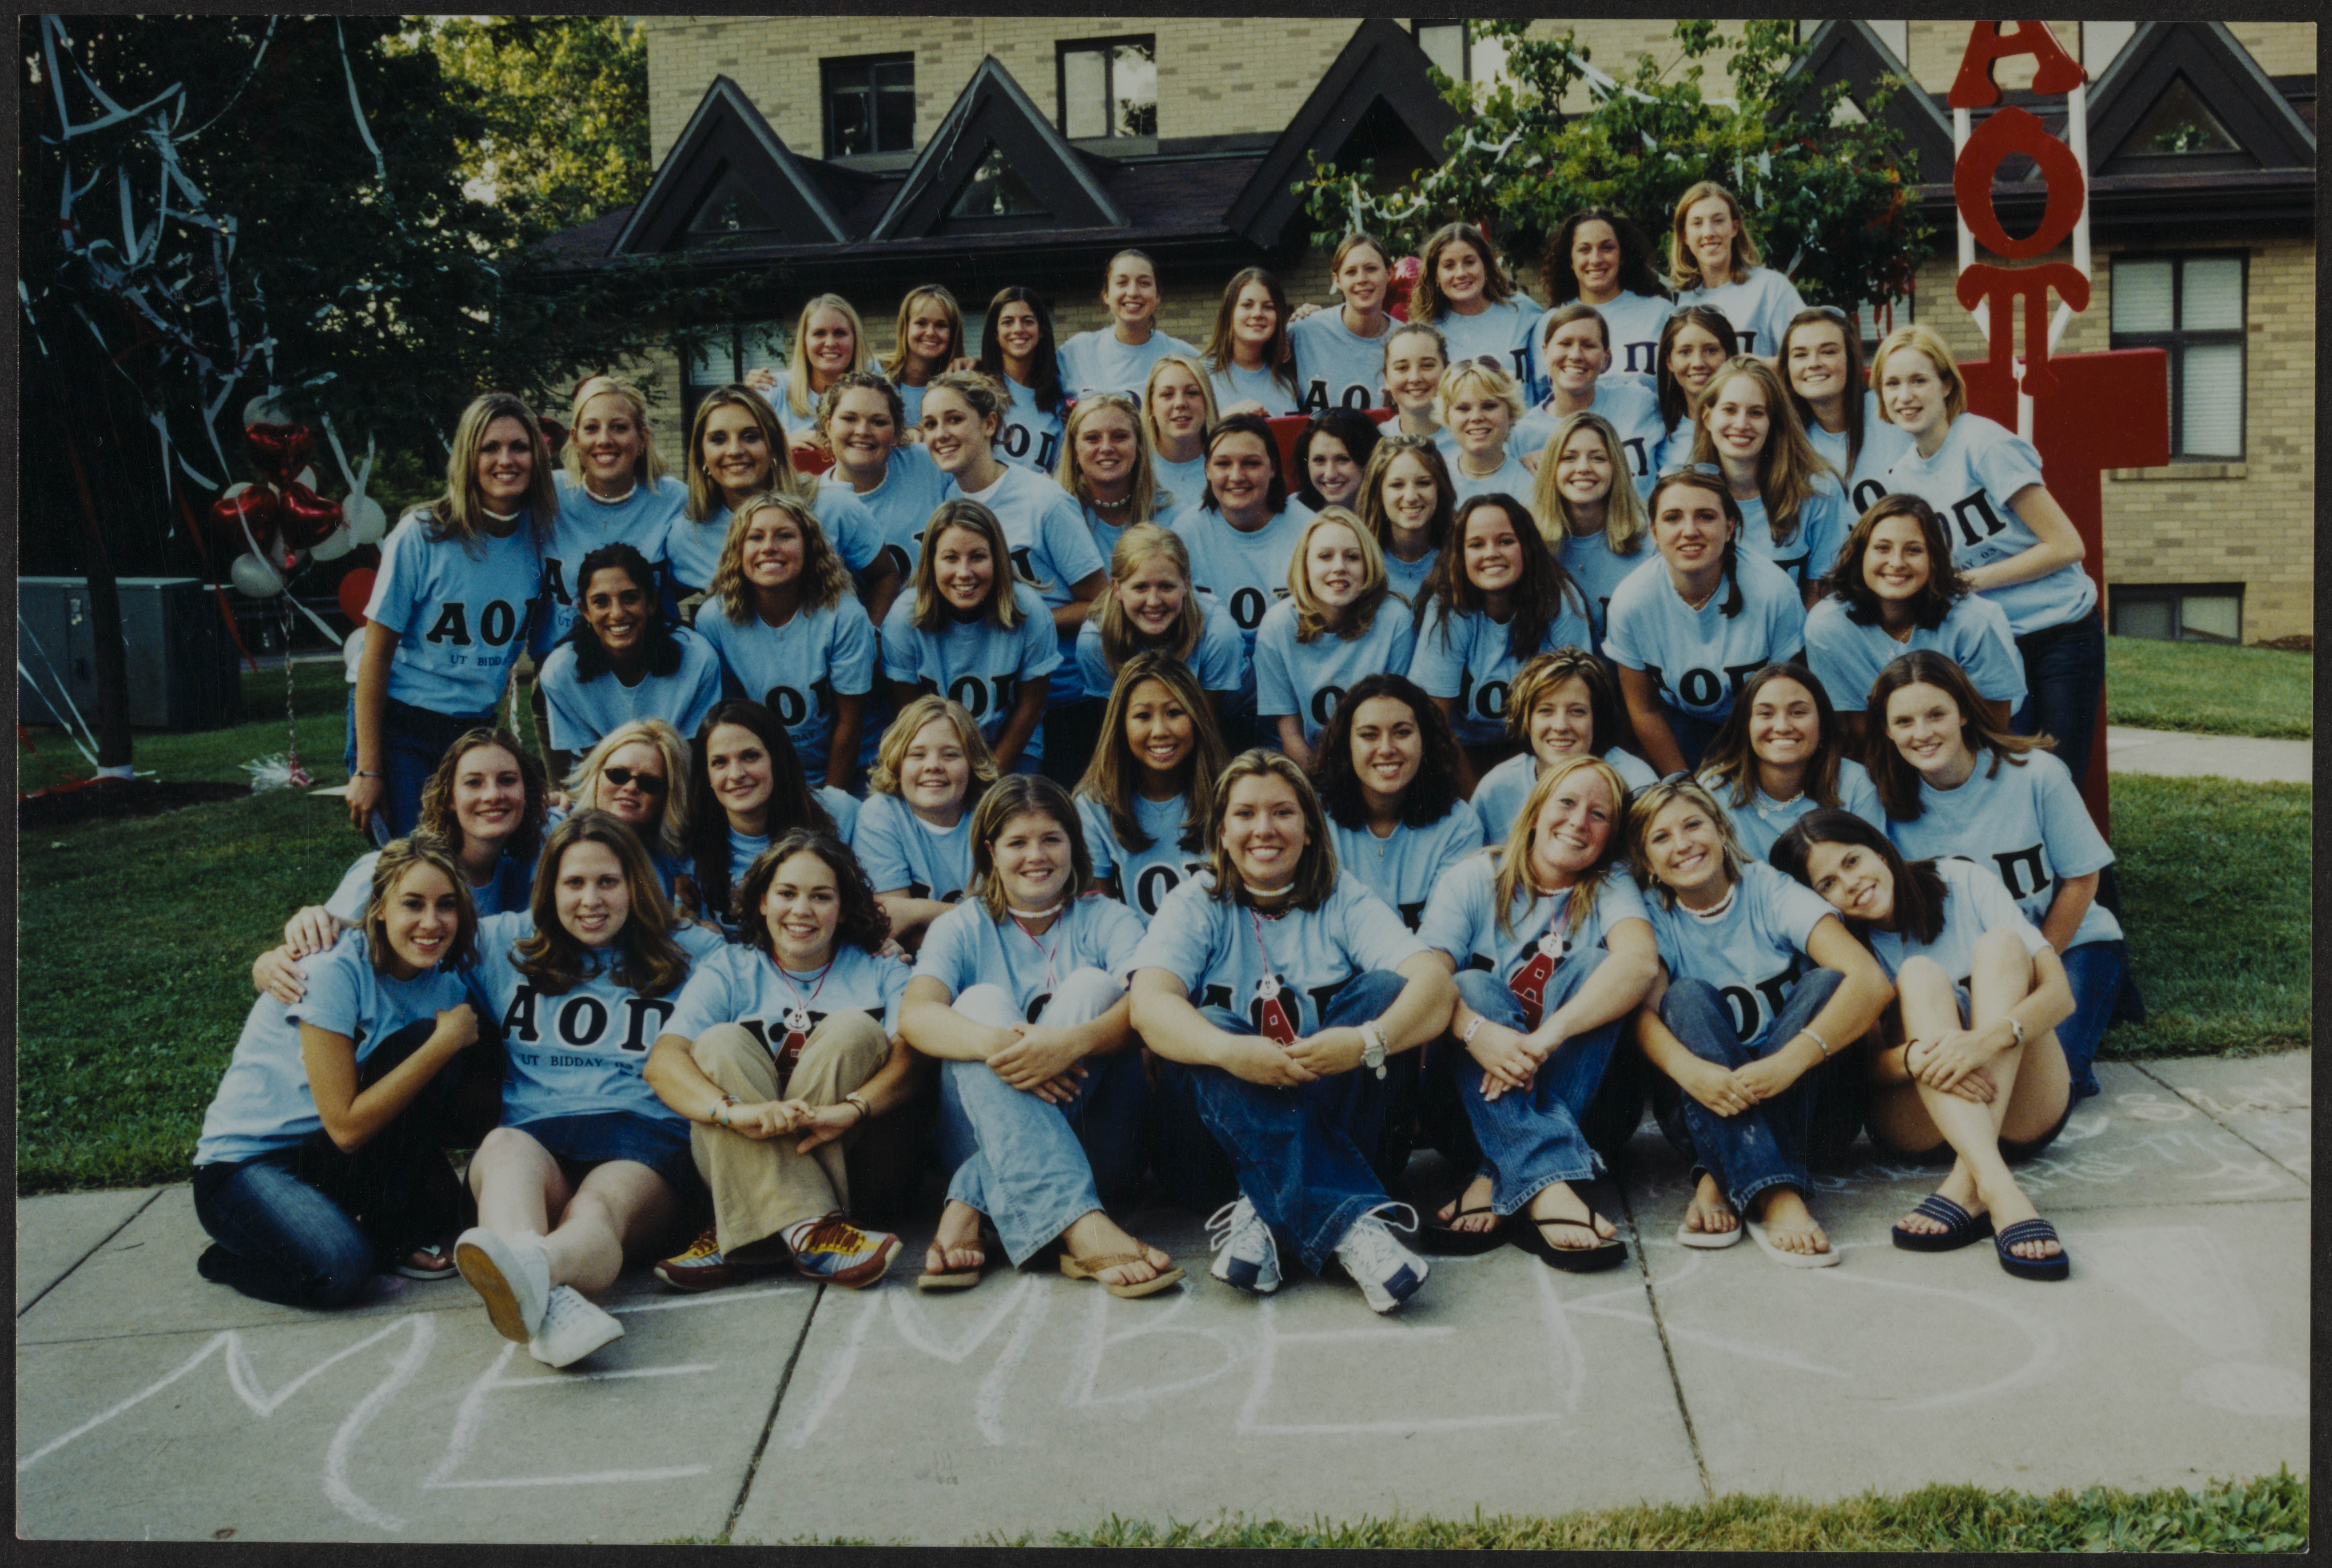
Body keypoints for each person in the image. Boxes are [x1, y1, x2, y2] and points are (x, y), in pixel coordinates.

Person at [1130, 751, 1459, 1313]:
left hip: (1340, 1126)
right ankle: (1351, 1222)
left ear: (1309, 829)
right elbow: (1147, 1005)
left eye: (1282, 812)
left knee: (1382, 992)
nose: (1264, 829)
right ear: (1222, 830)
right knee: (1205, 1024)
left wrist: (1363, 1042)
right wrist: (1230, 1052)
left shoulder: (1341, 894)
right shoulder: (1197, 901)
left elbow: (1434, 986)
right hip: (1213, 1158)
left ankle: (1263, 1211)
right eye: (1245, 814)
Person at [451, 810, 724, 1365]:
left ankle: (528, 1270)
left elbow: (780, 974)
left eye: (608, 882)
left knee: (597, 1205)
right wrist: (299, 943)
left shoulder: (693, 953)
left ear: (635, 886)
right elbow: (399, 935)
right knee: (501, 1147)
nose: (590, 900)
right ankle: (545, 1299)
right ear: (548, 890)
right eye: (573, 883)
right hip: (537, 1138)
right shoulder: (505, 941)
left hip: (643, 1141)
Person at [900, 775, 1181, 1295]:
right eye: (1017, 842)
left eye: (1052, 839)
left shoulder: (1110, 920)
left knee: (1093, 987)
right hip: (980, 1137)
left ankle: (970, 1199)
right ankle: (1082, 1225)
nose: (1037, 855)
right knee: (978, 1006)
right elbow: (916, 1017)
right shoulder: (962, 926)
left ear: (1074, 844)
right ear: (991, 852)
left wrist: (1071, 1045)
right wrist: (995, 1045)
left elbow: (1150, 1006)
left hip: (1100, 1146)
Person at [1771, 810, 2075, 1280]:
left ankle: (1970, 1183)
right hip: (1921, 1121)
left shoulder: (1964, 880)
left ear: (1879, 848)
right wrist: (1914, 1058)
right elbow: (1866, 1069)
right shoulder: (1841, 945)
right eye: (1827, 884)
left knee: (2002, 945)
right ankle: (2001, 1192)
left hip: (2024, 1108)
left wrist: (1981, 1043)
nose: (1850, 884)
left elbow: (2060, 996)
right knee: (1919, 975)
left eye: (1852, 861)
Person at [199, 837, 490, 1306]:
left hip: (325, 1160)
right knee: (341, 1270)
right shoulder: (332, 969)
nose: (432, 923)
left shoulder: (446, 984)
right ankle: (232, 1257)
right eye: (412, 905)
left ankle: (372, 1223)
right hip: (246, 1164)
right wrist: (443, 1043)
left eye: (447, 906)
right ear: (377, 909)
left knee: (449, 1218)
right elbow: (347, 1127)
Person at [1625, 776, 1892, 1267]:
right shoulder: (1654, 916)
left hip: (1812, 1112)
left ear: (1722, 829)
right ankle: (1775, 1194)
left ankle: (1719, 1176)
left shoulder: (1769, 890)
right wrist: (1691, 1072)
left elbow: (1871, 981)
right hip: (1705, 1103)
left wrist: (1789, 1063)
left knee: (1828, 983)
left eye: (1693, 825)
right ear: (1647, 863)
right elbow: (1642, 1017)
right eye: (1661, 838)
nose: (1683, 844)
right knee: (1683, 997)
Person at [646, 828, 916, 1292]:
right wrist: (734, 1112)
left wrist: (851, 1110)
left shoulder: (881, 968)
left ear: (845, 905)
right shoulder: (730, 968)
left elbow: (913, 1062)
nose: (802, 910)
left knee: (854, 1030)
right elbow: (663, 1062)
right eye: (786, 893)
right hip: (743, 1137)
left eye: (822, 896)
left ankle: (744, 1231)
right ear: (762, 902)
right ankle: (811, 1232)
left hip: (856, 1157)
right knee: (717, 1044)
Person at [1414, 756, 1660, 1264]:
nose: (1578, 822)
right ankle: (1549, 1188)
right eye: (1566, 803)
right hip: (1463, 1110)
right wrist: (1477, 1031)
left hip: (1589, 1113)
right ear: (1536, 808)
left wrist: (1543, 1040)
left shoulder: (1611, 884)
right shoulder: (1472, 877)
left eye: (1599, 814)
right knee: (1470, 984)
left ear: (1612, 833)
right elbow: (1424, 979)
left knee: (1599, 965)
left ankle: (1497, 1175)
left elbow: (1639, 965)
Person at [1866, 650, 2127, 1118]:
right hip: (1963, 966)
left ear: (1964, 712)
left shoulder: (2035, 774)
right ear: (1887, 730)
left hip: (2068, 944)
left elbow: (2083, 879)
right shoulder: (1882, 801)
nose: (1922, 733)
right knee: (1971, 1073)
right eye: (1904, 721)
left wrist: (2034, 971)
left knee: (2051, 1085)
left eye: (1936, 714)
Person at [1871, 323, 2105, 786]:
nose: (1906, 395)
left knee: (2058, 777)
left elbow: (2066, 545)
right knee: (2008, 774)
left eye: (1919, 380)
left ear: (1945, 384)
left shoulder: (1985, 445)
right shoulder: (1901, 478)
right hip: (1991, 643)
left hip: (2059, 631)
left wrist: (1968, 583)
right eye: (1892, 384)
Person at [348, 392, 551, 838]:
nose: (506, 460)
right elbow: (375, 656)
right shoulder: (422, 535)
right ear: (467, 457)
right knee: (416, 862)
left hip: (474, 729)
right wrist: (368, 770)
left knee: (477, 858)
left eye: (519, 447)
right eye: (489, 448)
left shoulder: (542, 540)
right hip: (402, 724)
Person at [918, 370, 1109, 779]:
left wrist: (1014, 623)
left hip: (1061, 697)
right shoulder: (944, 502)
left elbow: (1101, 599)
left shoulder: (1044, 501)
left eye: (954, 420)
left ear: (989, 424)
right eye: (930, 424)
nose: (941, 434)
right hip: (989, 701)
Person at [1603, 466, 1806, 774]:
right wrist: (1683, 783)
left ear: (1730, 528)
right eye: (1673, 518)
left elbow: (1791, 701)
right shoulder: (1632, 601)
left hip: (1760, 726)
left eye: (1706, 516)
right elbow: (1644, 708)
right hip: (1681, 725)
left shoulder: (1774, 592)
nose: (1690, 531)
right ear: (1655, 532)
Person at [286, 728, 548, 949]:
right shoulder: (388, 872)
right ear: (449, 799)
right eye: (473, 783)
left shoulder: (520, 876)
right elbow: (312, 947)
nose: (493, 795)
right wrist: (268, 962)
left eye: (508, 780)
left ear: (526, 793)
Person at [1805, 493, 2026, 749]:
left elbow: (1995, 718)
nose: (1897, 563)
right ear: (1860, 554)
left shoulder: (1975, 621)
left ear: (1934, 560)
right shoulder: (1828, 626)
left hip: (1973, 741)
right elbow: (1859, 726)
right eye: (1883, 548)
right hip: (1889, 746)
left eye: (1914, 550)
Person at [690, 490, 876, 790]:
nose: (769, 548)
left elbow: (849, 723)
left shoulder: (843, 615)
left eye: (785, 536)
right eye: (755, 537)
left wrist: (832, 800)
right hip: (768, 775)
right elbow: (733, 717)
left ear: (810, 548)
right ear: (738, 550)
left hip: (848, 770)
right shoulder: (715, 619)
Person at [665, 385, 897, 624]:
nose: (735, 450)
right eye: (718, 439)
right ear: (702, 455)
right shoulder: (687, 534)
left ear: (775, 444)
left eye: (751, 437)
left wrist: (872, 638)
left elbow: (886, 575)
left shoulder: (833, 505)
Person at [1409, 494, 1594, 792]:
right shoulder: (1448, 608)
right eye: (1477, 545)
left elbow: (1579, 706)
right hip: (1463, 754)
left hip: (1539, 748)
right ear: (1460, 554)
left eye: (1506, 541)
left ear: (1527, 547)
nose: (1492, 553)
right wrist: (1480, 802)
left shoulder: (1558, 600)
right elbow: (1435, 722)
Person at [879, 498, 1059, 774]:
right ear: (932, 562)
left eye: (978, 557)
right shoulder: (904, 619)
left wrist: (990, 777)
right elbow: (908, 717)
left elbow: (1031, 707)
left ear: (997, 559)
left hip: (1009, 745)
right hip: (935, 751)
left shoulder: (1029, 611)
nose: (964, 573)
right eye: (951, 558)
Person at [538, 543, 724, 783]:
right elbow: (590, 766)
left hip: (678, 785)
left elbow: (693, 759)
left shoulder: (698, 659)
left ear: (652, 603)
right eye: (601, 602)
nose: (617, 613)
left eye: (630, 598)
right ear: (585, 611)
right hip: (604, 787)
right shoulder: (561, 671)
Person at [1310, 672, 1483, 930]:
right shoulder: (1314, 818)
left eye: (1402, 733)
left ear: (1425, 740)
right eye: (1369, 735)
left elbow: (1446, 935)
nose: (1387, 748)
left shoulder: (1459, 825)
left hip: (1427, 967)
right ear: (1347, 744)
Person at [538, 375, 687, 657]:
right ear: (575, 438)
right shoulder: (547, 495)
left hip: (654, 666)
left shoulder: (675, 500)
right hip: (562, 670)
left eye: (619, 428)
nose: (604, 440)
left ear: (642, 438)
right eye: (591, 428)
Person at [1255, 509, 1416, 768]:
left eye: (1353, 557)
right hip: (1309, 767)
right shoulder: (1277, 626)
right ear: (1306, 567)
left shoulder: (1395, 620)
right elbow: (1292, 737)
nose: (1339, 568)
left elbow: (1396, 722)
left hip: (1378, 762)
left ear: (1367, 567)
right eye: (1325, 557)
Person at [1074, 653, 1227, 921]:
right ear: (1121, 726)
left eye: (1174, 713)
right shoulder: (1094, 806)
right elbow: (1103, 919)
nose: (1160, 731)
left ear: (1196, 718)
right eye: (1143, 716)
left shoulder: (1228, 794)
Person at [1688, 355, 1852, 600]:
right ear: (1708, 418)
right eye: (1730, 410)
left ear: (1773, 422)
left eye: (1756, 413)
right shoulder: (1686, 494)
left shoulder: (1818, 491)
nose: (1742, 424)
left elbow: (1821, 594)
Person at [679, 700, 850, 934]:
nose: (736, 774)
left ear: (777, 760)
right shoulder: (688, 844)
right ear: (706, 775)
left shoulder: (841, 812)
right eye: (720, 762)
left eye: (750, 757)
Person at [1695, 661, 1884, 862]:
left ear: (1822, 724)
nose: (1783, 727)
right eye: (1766, 714)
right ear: (1746, 725)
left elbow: (1873, 871)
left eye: (1799, 713)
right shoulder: (1717, 788)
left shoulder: (1855, 783)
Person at [1471, 649, 1659, 848]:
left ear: (1598, 719)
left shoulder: (1637, 784)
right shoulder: (1496, 789)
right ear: (1527, 720)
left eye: (1577, 711)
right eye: (1546, 711)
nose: (1561, 726)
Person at [852, 695, 996, 947]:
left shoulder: (993, 814)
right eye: (917, 755)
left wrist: (917, 910)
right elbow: (893, 925)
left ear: (972, 763)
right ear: (898, 763)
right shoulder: (881, 814)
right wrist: (979, 920)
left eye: (950, 755)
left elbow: (1010, 919)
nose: (933, 766)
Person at [1170, 413, 1313, 660]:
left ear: (1273, 469)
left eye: (1251, 463)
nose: (1237, 476)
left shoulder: (1309, 529)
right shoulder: (1186, 532)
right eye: (1223, 464)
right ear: (1207, 470)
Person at [1075, 523, 1248, 715]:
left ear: (1186, 585)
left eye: (1166, 587)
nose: (1154, 602)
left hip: (1225, 719)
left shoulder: (1218, 633)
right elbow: (1115, 722)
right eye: (1140, 587)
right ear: (1117, 588)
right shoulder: (1096, 639)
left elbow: (1205, 724)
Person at [1513, 303, 1665, 499]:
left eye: (1589, 345)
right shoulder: (1524, 435)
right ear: (1545, 353)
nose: (1576, 356)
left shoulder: (1640, 403)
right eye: (1565, 344)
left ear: (1606, 360)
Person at [1528, 411, 1654, 638]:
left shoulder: (1651, 539)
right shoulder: (1529, 541)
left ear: (1617, 468)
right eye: (1569, 458)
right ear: (1551, 469)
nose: (1583, 468)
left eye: (1598, 458)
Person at [822, 371, 955, 584]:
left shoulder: (931, 462)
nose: (863, 431)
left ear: (896, 431)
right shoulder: (815, 504)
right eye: (849, 418)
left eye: (879, 422)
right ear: (829, 426)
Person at [1779, 306, 1910, 515]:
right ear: (1787, 366)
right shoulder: (1787, 439)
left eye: (1829, 352)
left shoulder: (1892, 409)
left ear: (1850, 359)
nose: (1813, 364)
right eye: (1800, 355)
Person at [1666, 181, 1807, 360]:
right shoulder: (1687, 302)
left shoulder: (1771, 288)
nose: (1709, 232)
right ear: (1685, 236)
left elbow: (1805, 355)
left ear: (1734, 228)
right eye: (1697, 223)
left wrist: (1753, 370)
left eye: (1718, 221)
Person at [562, 718, 698, 903]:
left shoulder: (673, 864)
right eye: (618, 775)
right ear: (596, 775)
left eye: (649, 783)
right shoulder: (552, 826)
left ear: (667, 796)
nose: (631, 787)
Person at [1540, 205, 1673, 380]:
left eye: (1607, 248)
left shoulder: (1661, 314)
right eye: (1584, 250)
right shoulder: (1549, 324)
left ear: (1623, 256)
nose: (1596, 260)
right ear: (1571, 260)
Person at [1414, 221, 1540, 399]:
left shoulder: (1524, 311)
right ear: (1436, 275)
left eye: (1470, 262)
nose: (1461, 274)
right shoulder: (1427, 332)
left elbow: (1547, 383)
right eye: (1449, 266)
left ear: (1486, 265)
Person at [1058, 249, 1200, 404]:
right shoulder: (1076, 351)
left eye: (1144, 283)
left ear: (1158, 295)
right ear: (1106, 294)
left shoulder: (1185, 357)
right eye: (1122, 283)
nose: (1133, 292)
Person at [1288, 232, 1397, 415]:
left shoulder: (1405, 339)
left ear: (1389, 273)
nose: (1362, 279)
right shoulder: (1304, 331)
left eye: (1371, 269)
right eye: (1351, 272)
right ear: (1337, 280)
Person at [972, 285, 1068, 473]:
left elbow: (1059, 474)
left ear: (1041, 331)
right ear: (996, 334)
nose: (1018, 329)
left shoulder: (1057, 402)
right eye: (1008, 322)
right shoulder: (976, 389)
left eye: (1028, 321)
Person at [1056, 392, 1158, 562]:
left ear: (1139, 446)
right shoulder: (1056, 515)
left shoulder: (1171, 515)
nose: (1106, 448)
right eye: (1092, 439)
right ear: (1075, 451)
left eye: (1120, 437)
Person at [1356, 433, 1455, 604]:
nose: (1411, 497)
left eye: (1424, 483)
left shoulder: (1459, 558)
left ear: (1440, 488)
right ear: (1378, 493)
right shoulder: (1360, 563)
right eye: (1397, 485)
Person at [773, 293, 871, 454]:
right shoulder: (774, 388)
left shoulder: (876, 388)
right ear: (804, 343)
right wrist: (779, 443)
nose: (831, 343)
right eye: (819, 333)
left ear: (855, 340)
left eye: (840, 333)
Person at [1202, 266, 1301, 416]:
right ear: (1230, 312)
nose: (1258, 314)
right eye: (1247, 306)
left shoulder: (1288, 372)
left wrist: (1311, 316)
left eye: (1268, 307)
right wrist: (1228, 419)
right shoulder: (1202, 374)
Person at [1650, 306, 1739, 473]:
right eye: (1685, 352)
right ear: (1669, 362)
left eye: (1711, 350)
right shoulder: (1659, 433)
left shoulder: (1745, 426)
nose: (1698, 363)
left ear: (1728, 356)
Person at [1438, 361, 1536, 508]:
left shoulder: (1529, 485)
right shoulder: (1436, 479)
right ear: (1447, 419)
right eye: (1464, 409)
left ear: (1511, 414)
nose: (1476, 417)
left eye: (1489, 406)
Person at [880, 283, 965, 433]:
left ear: (953, 334)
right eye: (921, 323)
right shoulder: (877, 375)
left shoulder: (961, 383)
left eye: (941, 325)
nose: (931, 333)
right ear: (905, 328)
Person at [1141, 352, 1218, 513]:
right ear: (1151, 405)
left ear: (1207, 401)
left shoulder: (1229, 467)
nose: (1180, 404)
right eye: (1167, 395)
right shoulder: (1137, 468)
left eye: (1192, 393)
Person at [1292, 409, 1382, 514]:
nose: (1330, 474)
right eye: (1319, 460)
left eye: (1342, 459)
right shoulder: (1290, 513)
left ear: (1369, 460)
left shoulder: (1391, 515)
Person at [1383, 322, 1452, 444]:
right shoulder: (1375, 439)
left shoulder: (1468, 439)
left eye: (1427, 366)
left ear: (1447, 372)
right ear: (1386, 378)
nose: (1415, 378)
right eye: (1402, 368)